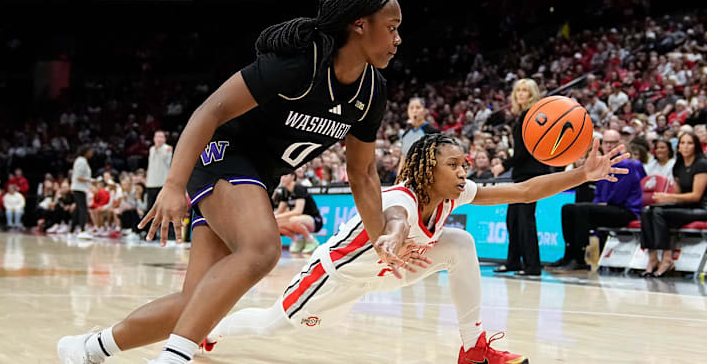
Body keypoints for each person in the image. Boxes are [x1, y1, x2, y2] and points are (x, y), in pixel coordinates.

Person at [58, 0, 408, 364]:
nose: (398, 39)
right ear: (360, 24)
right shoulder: (300, 63)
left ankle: (87, 348)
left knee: (198, 306)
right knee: (262, 248)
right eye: (391, 28)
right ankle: (173, 359)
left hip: (257, 177)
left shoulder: (372, 91)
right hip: (222, 156)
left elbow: (363, 175)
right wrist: (174, 185)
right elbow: (212, 110)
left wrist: (382, 244)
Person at [201, 133, 629, 364]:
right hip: (335, 277)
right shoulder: (401, 198)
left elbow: (522, 190)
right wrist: (390, 236)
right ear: (427, 169)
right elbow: (396, 220)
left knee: (460, 242)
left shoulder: (453, 195)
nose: (464, 172)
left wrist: (580, 174)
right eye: (453, 165)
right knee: (272, 326)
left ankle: (473, 346)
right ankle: (211, 333)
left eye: (465, 165)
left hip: (392, 269)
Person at [550, 129, 645, 271]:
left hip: (626, 210)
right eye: (607, 142)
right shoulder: (602, 163)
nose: (609, 146)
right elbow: (598, 191)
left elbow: (619, 195)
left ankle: (580, 259)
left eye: (613, 143)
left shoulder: (627, 164)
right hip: (607, 207)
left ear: (619, 144)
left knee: (583, 210)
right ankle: (568, 255)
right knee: (568, 208)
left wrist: (601, 204)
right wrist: (598, 203)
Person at [492, 79, 551, 276]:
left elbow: (526, 150)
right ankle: (514, 261)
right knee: (513, 219)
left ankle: (533, 265)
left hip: (532, 174)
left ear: (532, 93)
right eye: (518, 91)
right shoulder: (524, 116)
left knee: (526, 220)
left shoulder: (532, 116)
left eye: (525, 91)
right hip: (522, 174)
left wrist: (504, 164)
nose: (521, 94)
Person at [640, 132, 707, 277]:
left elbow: (696, 196)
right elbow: (678, 196)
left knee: (659, 213)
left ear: (696, 146)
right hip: (685, 207)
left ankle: (667, 258)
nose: (685, 146)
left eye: (689, 143)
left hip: (701, 208)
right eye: (682, 143)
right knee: (646, 210)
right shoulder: (678, 165)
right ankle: (652, 258)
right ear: (678, 147)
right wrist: (664, 199)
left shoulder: (702, 164)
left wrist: (668, 196)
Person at [274, 173, 323, 254]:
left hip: (314, 220)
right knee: (275, 223)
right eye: (282, 176)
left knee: (294, 220)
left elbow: (298, 211)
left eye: (285, 176)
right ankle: (297, 240)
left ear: (293, 177)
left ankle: (311, 240)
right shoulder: (284, 190)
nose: (283, 178)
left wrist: (279, 216)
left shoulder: (298, 188)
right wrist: (270, 217)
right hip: (298, 219)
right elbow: (279, 211)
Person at [397, 97, 439, 173]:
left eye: (418, 107)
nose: (414, 111)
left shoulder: (432, 132)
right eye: (411, 108)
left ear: (425, 111)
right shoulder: (405, 134)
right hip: (408, 176)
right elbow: (403, 158)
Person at [146, 131, 173, 213]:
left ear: (165, 139)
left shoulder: (168, 148)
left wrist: (159, 149)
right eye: (157, 137)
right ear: (154, 138)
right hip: (151, 183)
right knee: (151, 208)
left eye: (161, 137)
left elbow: (168, 162)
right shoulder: (151, 149)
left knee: (163, 208)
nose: (159, 139)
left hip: (162, 183)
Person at [70, 146, 94, 234]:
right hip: (79, 188)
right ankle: (82, 229)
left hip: (79, 188)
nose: (92, 153)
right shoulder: (81, 161)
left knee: (77, 209)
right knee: (83, 209)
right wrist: (91, 180)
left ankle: (72, 229)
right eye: (90, 151)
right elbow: (79, 177)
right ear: (86, 152)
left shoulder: (81, 160)